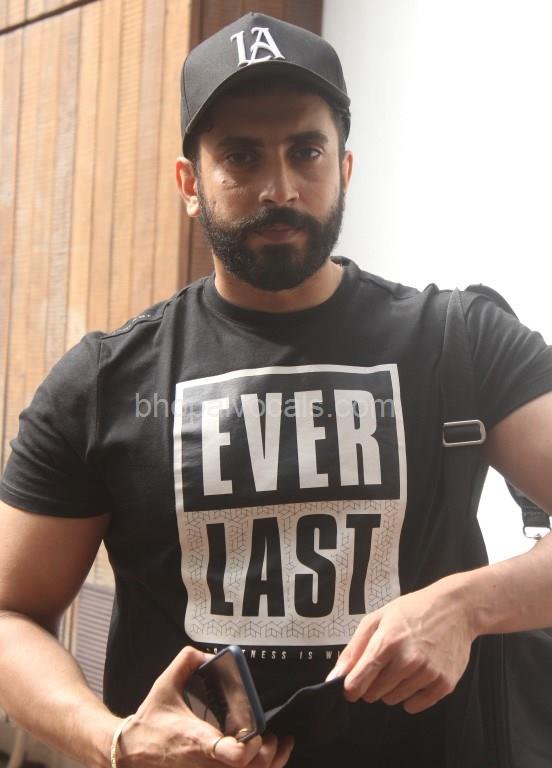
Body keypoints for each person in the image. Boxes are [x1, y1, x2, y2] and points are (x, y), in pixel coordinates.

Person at [1, 11, 552, 768]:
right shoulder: (104, 382)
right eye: (241, 156)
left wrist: (467, 605)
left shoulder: (460, 342)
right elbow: (10, 613)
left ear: (344, 169)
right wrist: (114, 739)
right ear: (190, 184)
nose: (279, 188)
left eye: (306, 151)